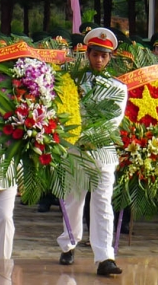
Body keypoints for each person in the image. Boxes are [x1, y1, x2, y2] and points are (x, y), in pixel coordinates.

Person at [58, 27, 127, 277]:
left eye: (104, 55)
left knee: (102, 204)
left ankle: (105, 256)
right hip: (76, 150)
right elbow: (65, 111)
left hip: (102, 151)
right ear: (87, 53)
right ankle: (69, 243)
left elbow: (113, 121)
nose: (99, 60)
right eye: (95, 54)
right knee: (74, 201)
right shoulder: (73, 82)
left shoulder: (118, 87)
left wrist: (89, 136)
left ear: (110, 58)